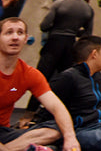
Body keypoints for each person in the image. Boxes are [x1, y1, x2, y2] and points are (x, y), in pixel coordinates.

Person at [0, 17, 80, 151]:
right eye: (9, 33)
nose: (15, 37)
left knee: (56, 129)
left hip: (4, 133)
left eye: (20, 33)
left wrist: (70, 138)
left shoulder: (30, 74)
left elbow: (57, 107)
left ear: (25, 39)